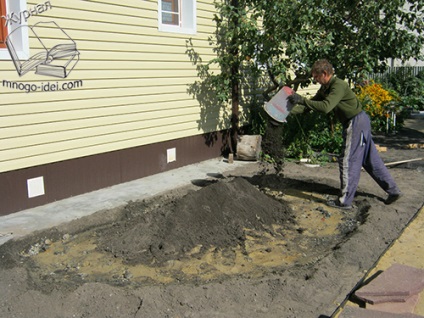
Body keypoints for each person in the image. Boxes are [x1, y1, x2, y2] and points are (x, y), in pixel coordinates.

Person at [287, 59, 402, 209]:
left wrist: (301, 100)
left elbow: (325, 107)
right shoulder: (325, 89)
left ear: (325, 73)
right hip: (359, 122)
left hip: (355, 122)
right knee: (371, 160)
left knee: (348, 160)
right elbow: (310, 106)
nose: (314, 80)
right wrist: (285, 112)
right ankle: (393, 190)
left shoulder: (338, 85)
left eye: (316, 76)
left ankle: (345, 201)